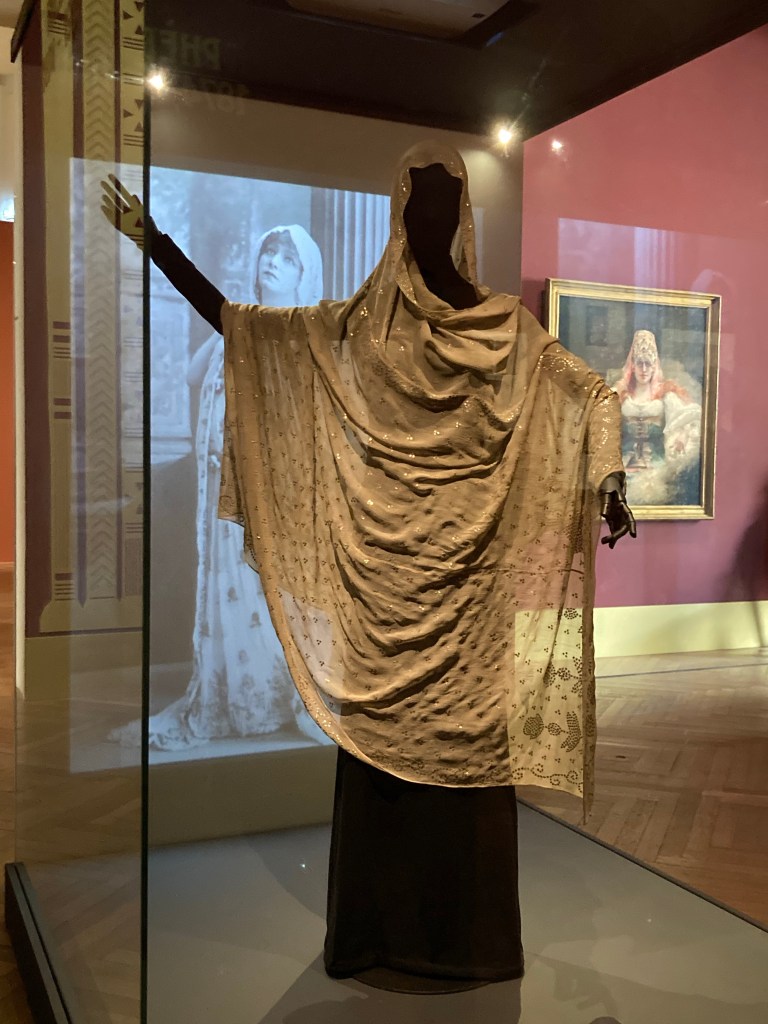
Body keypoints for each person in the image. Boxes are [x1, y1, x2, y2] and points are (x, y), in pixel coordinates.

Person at [102, 147, 634, 992]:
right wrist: (157, 243)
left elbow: (591, 394)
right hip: (381, 588)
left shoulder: (506, 326)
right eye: (418, 207)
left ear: (460, 219)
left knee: (467, 763)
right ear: (400, 217)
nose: (429, 222)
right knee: (381, 761)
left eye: (443, 208)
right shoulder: (362, 324)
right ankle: (374, 933)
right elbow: (244, 329)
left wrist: (608, 476)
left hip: (473, 597)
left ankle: (467, 942)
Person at [101, 185, 326, 748]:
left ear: (304, 275)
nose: (273, 262)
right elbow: (194, 372)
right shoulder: (241, 326)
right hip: (226, 489)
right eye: (268, 253)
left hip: (274, 495)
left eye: (287, 258)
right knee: (232, 589)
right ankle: (245, 696)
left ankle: (280, 695)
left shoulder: (303, 333)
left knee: (269, 592)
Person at [615, 328, 702, 504]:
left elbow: (691, 417)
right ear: (633, 365)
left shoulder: (666, 395)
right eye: (640, 363)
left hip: (657, 467)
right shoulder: (620, 395)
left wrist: (681, 437)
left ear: (655, 366)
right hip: (624, 466)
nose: (644, 369)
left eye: (648, 364)